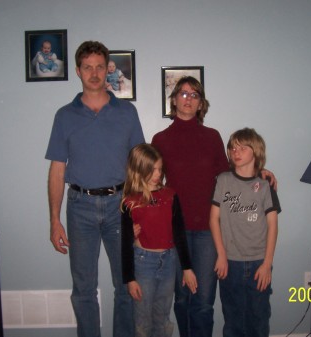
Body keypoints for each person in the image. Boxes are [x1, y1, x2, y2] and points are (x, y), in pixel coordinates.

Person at [151, 76, 278, 337]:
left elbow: (228, 173)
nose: (188, 98)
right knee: (183, 299)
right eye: (183, 93)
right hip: (175, 232)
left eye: (194, 95)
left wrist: (260, 172)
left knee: (204, 302)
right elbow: (152, 180)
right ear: (174, 100)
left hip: (209, 231)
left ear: (200, 104)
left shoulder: (212, 137)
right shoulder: (160, 139)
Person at [45, 40, 144, 337]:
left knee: (127, 283)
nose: (95, 72)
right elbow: (57, 169)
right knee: (84, 289)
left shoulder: (127, 112)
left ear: (107, 69)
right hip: (80, 207)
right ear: (78, 71)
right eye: (88, 67)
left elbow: (140, 164)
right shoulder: (64, 116)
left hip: (120, 206)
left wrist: (139, 211)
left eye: (100, 66)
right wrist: (54, 220)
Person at [209, 128, 281, 337]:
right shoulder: (222, 180)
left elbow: (273, 225)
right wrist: (221, 255)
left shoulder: (266, 185)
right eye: (232, 148)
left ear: (256, 151)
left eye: (242, 147)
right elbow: (214, 219)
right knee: (233, 319)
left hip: (259, 262)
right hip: (230, 263)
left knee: (258, 318)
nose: (235, 152)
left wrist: (267, 264)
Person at [121, 144, 198, 337]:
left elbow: (179, 233)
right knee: (143, 320)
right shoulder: (129, 202)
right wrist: (129, 279)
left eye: (159, 169)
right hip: (143, 263)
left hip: (169, 261)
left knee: (162, 317)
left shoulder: (170, 196)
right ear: (139, 170)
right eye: (152, 169)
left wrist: (187, 268)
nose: (158, 174)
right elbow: (125, 244)